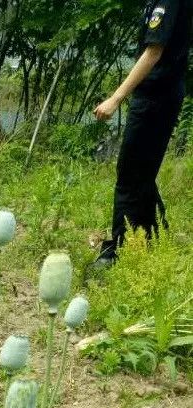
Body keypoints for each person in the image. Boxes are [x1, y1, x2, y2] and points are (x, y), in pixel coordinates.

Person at [92, 0, 191, 267]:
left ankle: (117, 252)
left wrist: (116, 98)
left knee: (129, 175)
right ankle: (153, 236)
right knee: (142, 172)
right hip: (157, 95)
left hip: (156, 97)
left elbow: (153, 52)